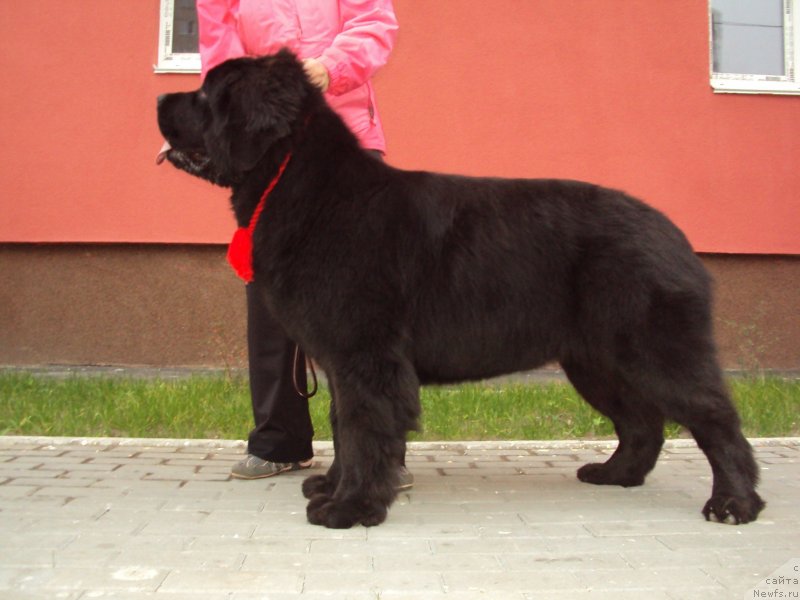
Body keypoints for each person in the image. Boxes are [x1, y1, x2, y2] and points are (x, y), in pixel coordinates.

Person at [195, 0, 411, 486]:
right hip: (269, 150)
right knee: (271, 291)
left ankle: (375, 453)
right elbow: (219, 58)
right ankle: (280, 440)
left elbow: (374, 23)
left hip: (347, 140)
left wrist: (327, 68)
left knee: (358, 306)